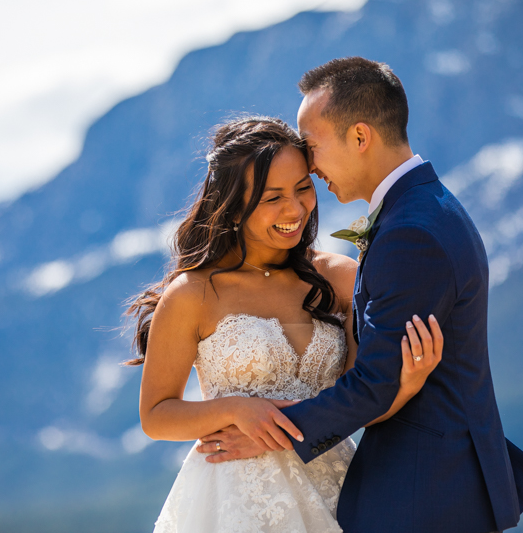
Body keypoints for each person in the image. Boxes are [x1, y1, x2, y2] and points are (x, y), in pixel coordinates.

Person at [197, 58, 523, 533]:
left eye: (313, 146)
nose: (310, 164)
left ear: (360, 137)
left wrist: (267, 433)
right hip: (433, 484)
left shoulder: (411, 233)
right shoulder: (427, 208)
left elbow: (374, 383)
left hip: (423, 493)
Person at [126, 115, 444, 532]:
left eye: (302, 188)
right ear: (233, 205)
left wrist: (408, 383)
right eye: (271, 197)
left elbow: (360, 402)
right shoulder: (191, 294)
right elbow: (156, 415)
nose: (294, 209)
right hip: (234, 503)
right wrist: (237, 409)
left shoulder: (342, 278)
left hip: (337, 489)